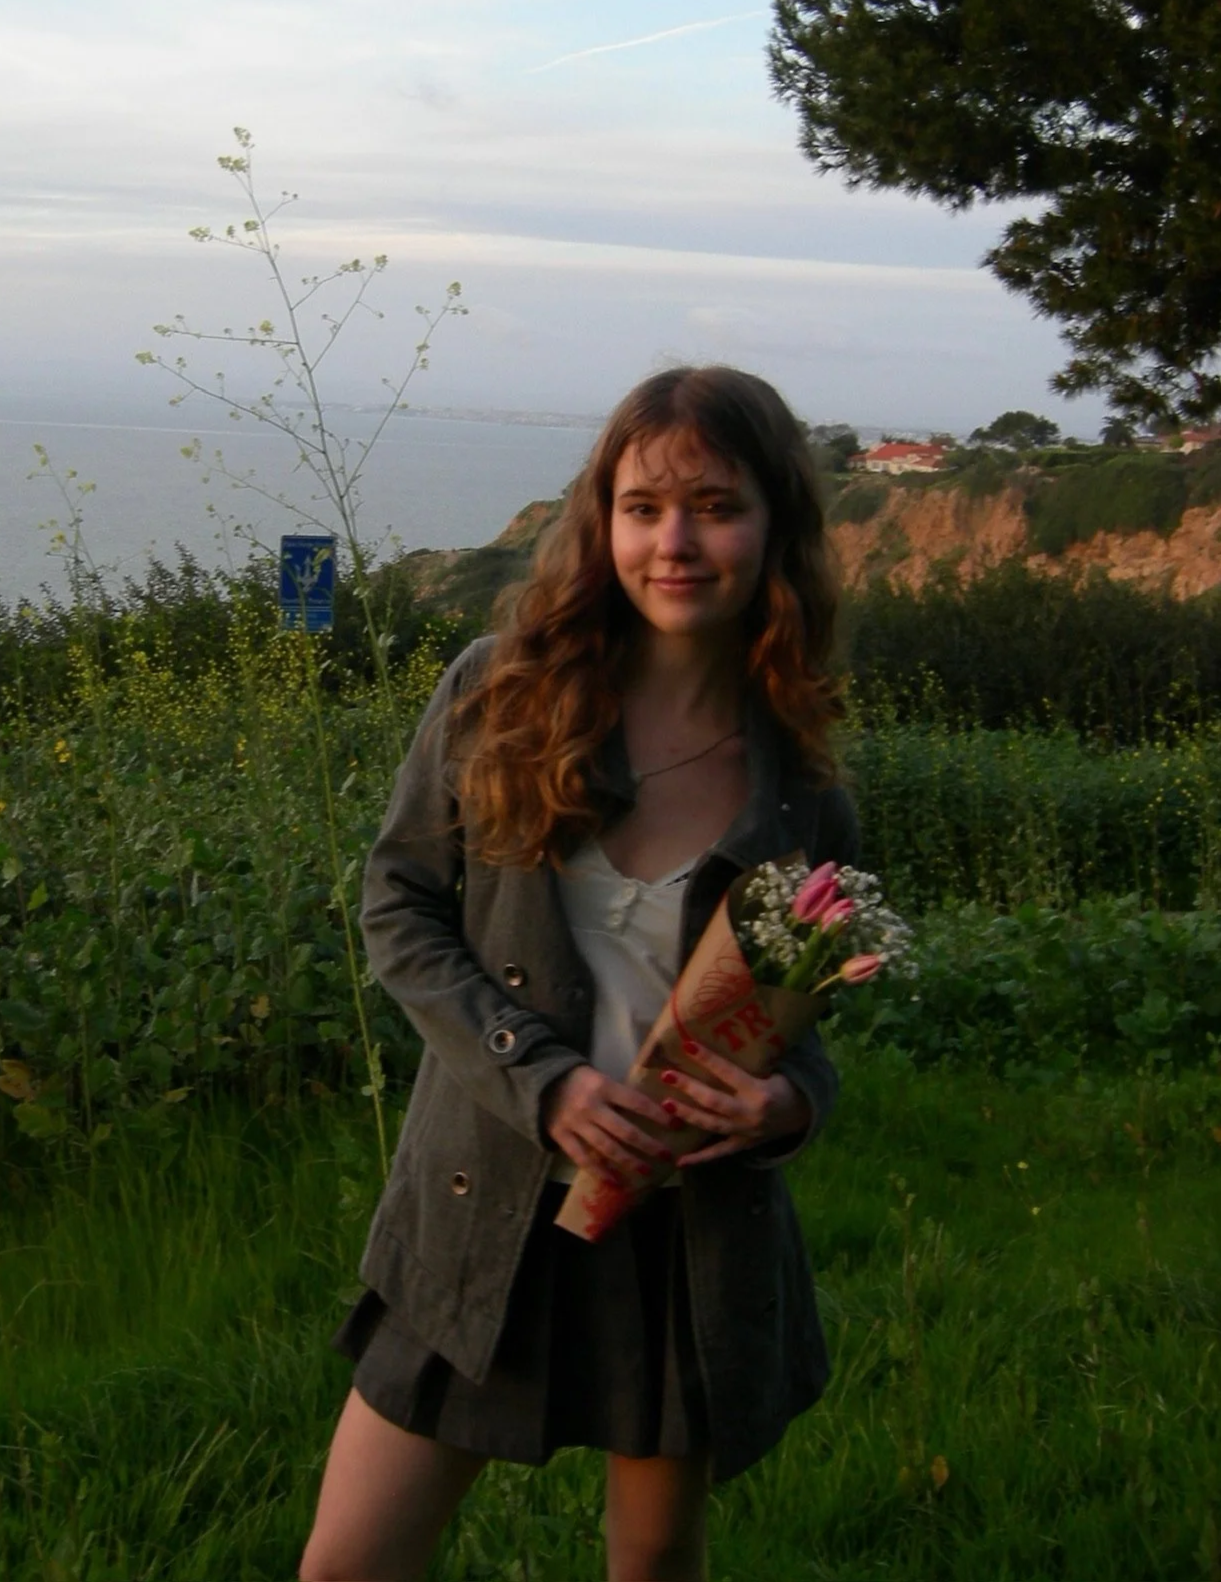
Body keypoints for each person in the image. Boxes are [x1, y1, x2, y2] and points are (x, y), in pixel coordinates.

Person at [299, 365, 860, 1582]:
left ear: (775, 526)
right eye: (645, 505)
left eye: (716, 505)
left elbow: (806, 1020)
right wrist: (540, 1078)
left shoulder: (801, 778)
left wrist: (785, 1108)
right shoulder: (500, 691)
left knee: (653, 1563)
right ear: (602, 519)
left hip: (683, 1230)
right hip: (481, 1197)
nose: (676, 540)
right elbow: (398, 907)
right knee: (350, 1562)